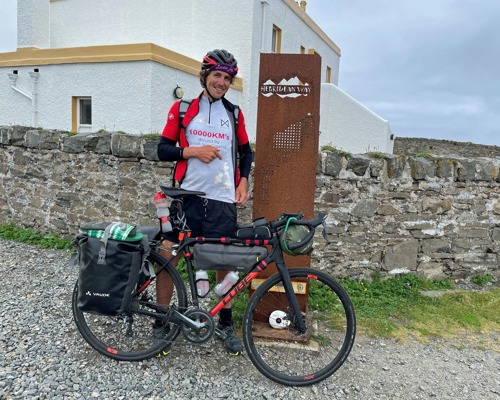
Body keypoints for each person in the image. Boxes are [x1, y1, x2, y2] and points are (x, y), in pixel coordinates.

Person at [156, 49, 253, 356]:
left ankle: (225, 323)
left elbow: (246, 152)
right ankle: (161, 321)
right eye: (217, 76)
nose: (222, 82)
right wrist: (193, 151)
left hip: (223, 199)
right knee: (168, 254)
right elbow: (162, 149)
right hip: (187, 198)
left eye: (227, 78)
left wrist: (244, 180)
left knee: (224, 262)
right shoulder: (184, 108)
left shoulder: (234, 114)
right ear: (205, 77)